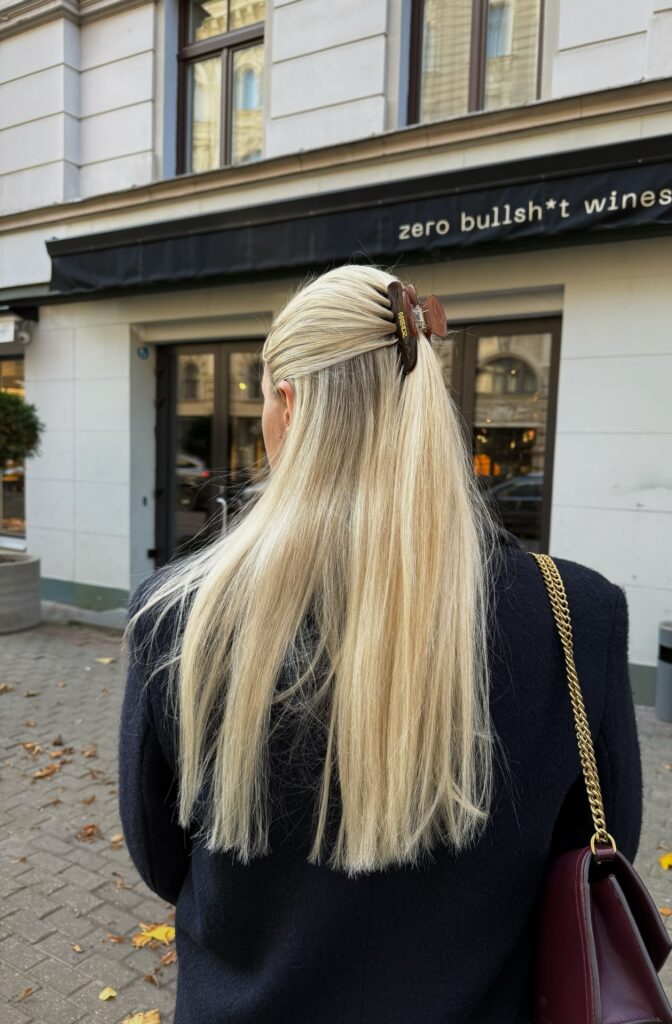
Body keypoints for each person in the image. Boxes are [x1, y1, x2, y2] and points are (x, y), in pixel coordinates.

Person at [118, 263, 642, 1024]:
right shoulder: (577, 614)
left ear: (287, 405)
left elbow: (161, 861)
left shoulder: (178, 616)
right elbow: (602, 844)